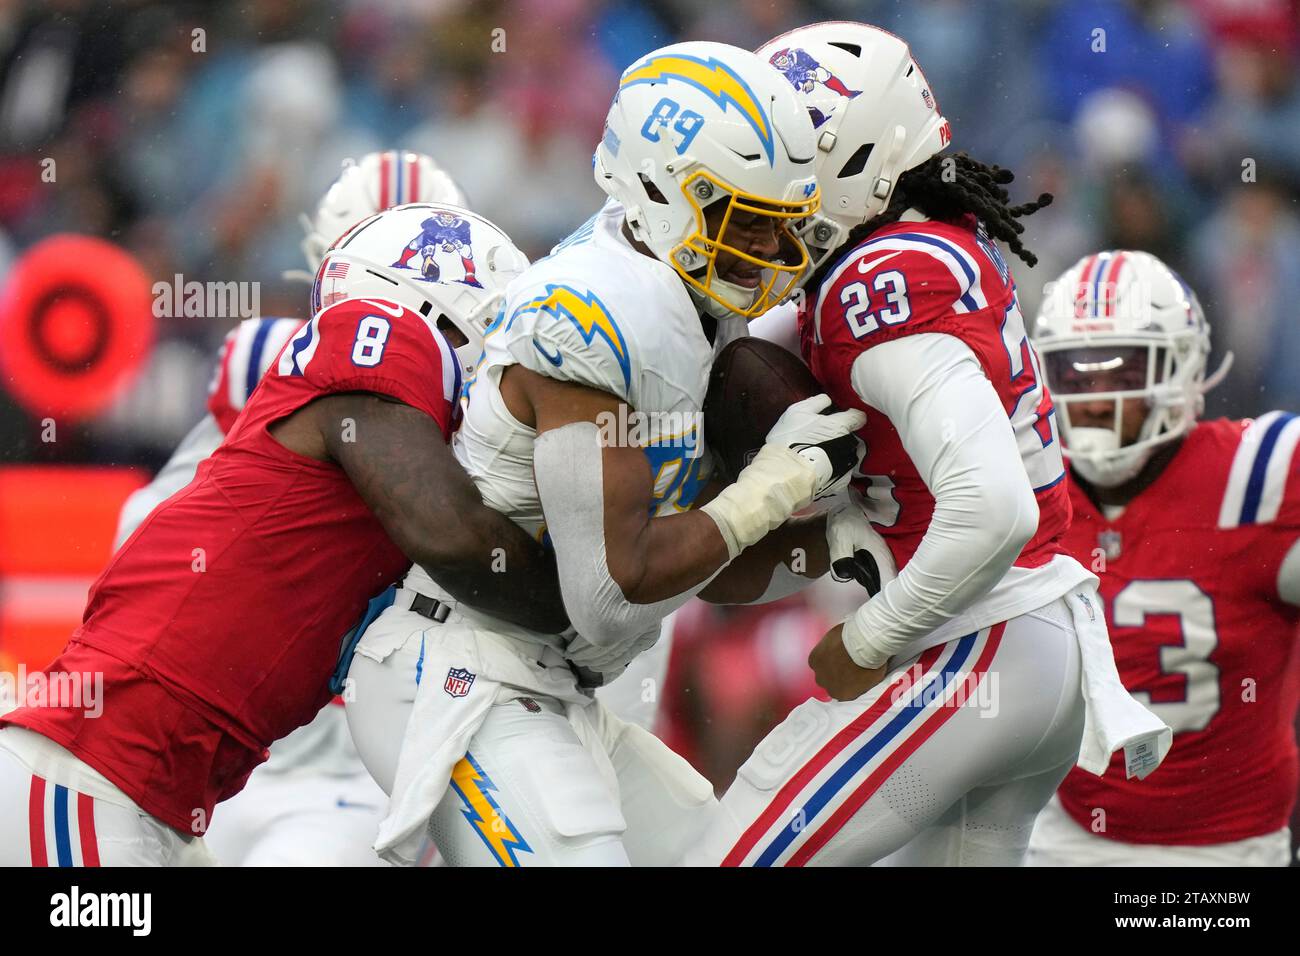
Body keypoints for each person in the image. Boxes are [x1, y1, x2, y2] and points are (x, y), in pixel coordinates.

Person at [344, 40, 877, 867]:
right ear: (665, 196)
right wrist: (778, 485)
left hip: (555, 681)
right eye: (751, 223)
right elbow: (607, 592)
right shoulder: (591, 312)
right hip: (463, 669)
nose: (776, 254)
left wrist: (833, 543)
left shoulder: (686, 296)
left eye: (782, 225)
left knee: (726, 853)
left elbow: (699, 563)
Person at [683, 21, 1169, 867]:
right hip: (1029, 645)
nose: (771, 173)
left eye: (792, 149)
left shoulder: (882, 280)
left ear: (854, 157)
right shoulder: (918, 245)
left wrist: (866, 641)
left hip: (974, 638)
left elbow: (992, 508)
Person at [0, 202, 565, 866]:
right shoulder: (380, 332)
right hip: (93, 775)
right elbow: (457, 536)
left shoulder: (378, 449)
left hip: (155, 795)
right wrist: (586, 603)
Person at [1026, 250, 1299, 866]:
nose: (1094, 401)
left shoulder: (1258, 478)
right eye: (1075, 375)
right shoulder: (1030, 486)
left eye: (1119, 372)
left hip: (1227, 851)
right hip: (1060, 834)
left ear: (1179, 371)